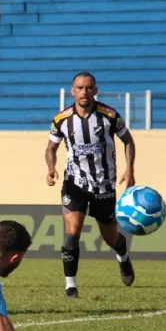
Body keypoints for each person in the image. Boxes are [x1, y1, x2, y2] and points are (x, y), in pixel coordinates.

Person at [45, 72, 136, 298]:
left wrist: (129, 169)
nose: (84, 92)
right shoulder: (62, 119)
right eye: (80, 88)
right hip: (74, 182)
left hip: (104, 185)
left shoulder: (109, 116)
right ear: (72, 91)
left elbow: (128, 141)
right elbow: (50, 148)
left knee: (111, 238)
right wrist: (51, 168)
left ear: (95, 90)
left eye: (88, 88)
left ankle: (122, 254)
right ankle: (70, 286)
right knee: (72, 231)